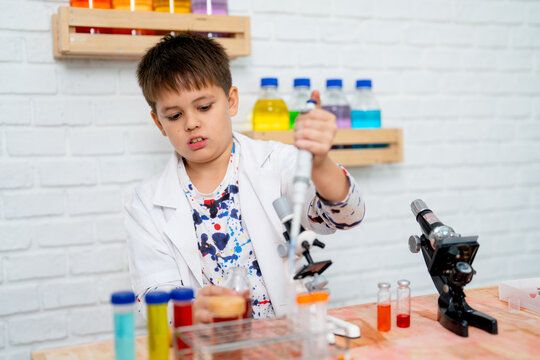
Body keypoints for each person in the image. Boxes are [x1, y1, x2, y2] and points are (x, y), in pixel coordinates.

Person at [125, 33, 365, 324]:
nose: (191, 123)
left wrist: (319, 161)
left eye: (203, 107)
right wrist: (188, 309)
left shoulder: (276, 162)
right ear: (158, 123)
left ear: (231, 101)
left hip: (285, 342)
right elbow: (153, 295)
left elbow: (347, 215)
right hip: (208, 348)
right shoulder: (147, 202)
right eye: (174, 115)